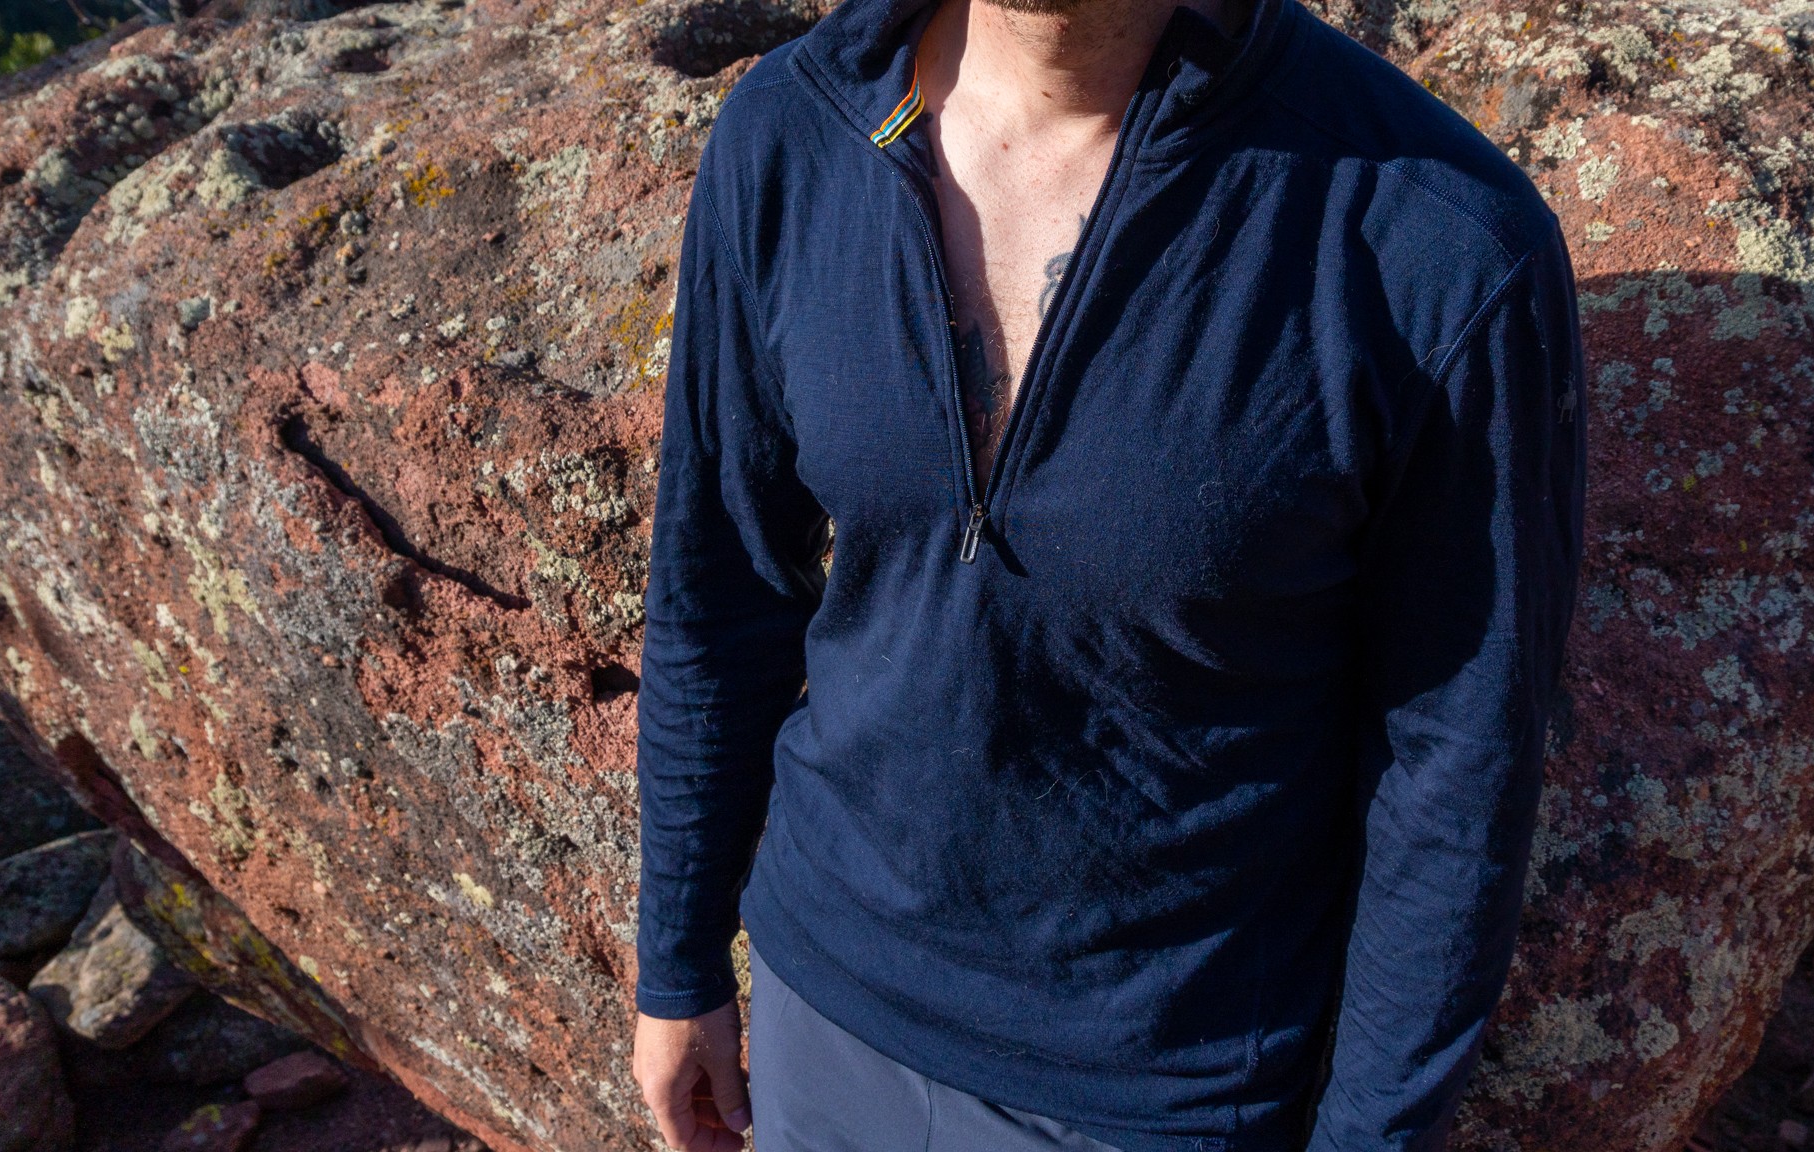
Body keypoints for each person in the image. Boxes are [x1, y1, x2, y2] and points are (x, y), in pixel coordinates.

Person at [628, 0, 1588, 1144]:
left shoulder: (1437, 240)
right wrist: (678, 960)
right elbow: (717, 587)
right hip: (820, 1011)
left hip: (1153, 1092)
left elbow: (1457, 769)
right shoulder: (796, 128)